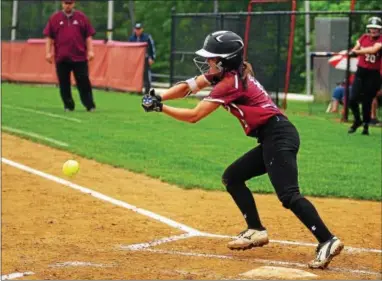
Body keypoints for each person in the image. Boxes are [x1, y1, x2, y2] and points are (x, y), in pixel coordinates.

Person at [141, 30, 343, 269]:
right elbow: (189, 86)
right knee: (233, 177)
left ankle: (327, 239)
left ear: (225, 61)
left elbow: (195, 116)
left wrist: (160, 108)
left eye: (212, 58)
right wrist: (159, 95)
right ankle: (256, 229)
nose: (208, 61)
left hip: (278, 135)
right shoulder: (227, 74)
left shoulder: (229, 83)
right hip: (272, 136)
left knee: (288, 195)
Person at [43, 0, 96, 112]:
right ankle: (68, 105)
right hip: (62, 57)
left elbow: (88, 36)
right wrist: (48, 52)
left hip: (79, 57)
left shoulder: (81, 17)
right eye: (66, 3)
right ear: (62, 4)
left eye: (70, 3)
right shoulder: (55, 18)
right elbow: (49, 37)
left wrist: (91, 51)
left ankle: (89, 105)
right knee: (64, 83)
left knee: (83, 82)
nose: (68, 5)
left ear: (74, 4)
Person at [348, 16, 382, 135]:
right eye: (371, 28)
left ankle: (366, 125)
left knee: (367, 101)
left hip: (373, 75)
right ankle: (357, 120)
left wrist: (356, 52)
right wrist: (351, 52)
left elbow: (373, 50)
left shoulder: (381, 40)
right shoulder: (363, 38)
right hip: (361, 71)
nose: (373, 30)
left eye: (376, 28)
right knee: (352, 99)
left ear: (380, 30)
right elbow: (355, 48)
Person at [128, 23, 156, 94]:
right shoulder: (132, 38)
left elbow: (152, 47)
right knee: (135, 75)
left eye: (139, 29)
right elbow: (129, 49)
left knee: (146, 75)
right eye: (136, 29)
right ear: (134, 30)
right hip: (135, 60)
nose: (138, 31)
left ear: (142, 29)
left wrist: (152, 58)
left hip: (145, 59)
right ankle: (135, 90)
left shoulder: (147, 37)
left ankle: (147, 91)